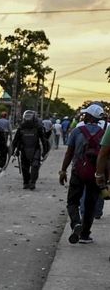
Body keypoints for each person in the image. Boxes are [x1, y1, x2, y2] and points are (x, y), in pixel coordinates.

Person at [59, 104, 105, 245]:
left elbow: (69, 153)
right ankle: (85, 235)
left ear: (90, 116)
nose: (84, 116)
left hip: (78, 171)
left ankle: (76, 223)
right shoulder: (104, 133)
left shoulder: (77, 131)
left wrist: (63, 170)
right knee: (90, 205)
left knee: (72, 201)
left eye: (86, 114)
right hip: (95, 174)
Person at [10, 110, 50, 190]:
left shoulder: (38, 127)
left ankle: (32, 182)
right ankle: (26, 182)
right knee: (25, 167)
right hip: (23, 149)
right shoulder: (20, 128)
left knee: (35, 166)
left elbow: (43, 139)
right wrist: (13, 151)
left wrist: (45, 151)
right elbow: (15, 140)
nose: (28, 119)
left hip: (35, 149)